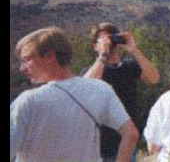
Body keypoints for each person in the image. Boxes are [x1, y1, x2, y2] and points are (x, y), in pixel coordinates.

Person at [10, 27, 139, 162]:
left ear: (50, 56)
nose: (22, 68)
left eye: (27, 59)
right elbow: (131, 134)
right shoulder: (101, 89)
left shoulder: (29, 100)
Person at [83, 22, 160, 162]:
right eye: (103, 40)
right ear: (95, 46)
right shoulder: (93, 70)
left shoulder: (129, 67)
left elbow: (154, 78)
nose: (109, 43)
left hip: (126, 143)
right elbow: (85, 88)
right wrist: (103, 56)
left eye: (110, 39)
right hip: (98, 145)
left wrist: (134, 50)